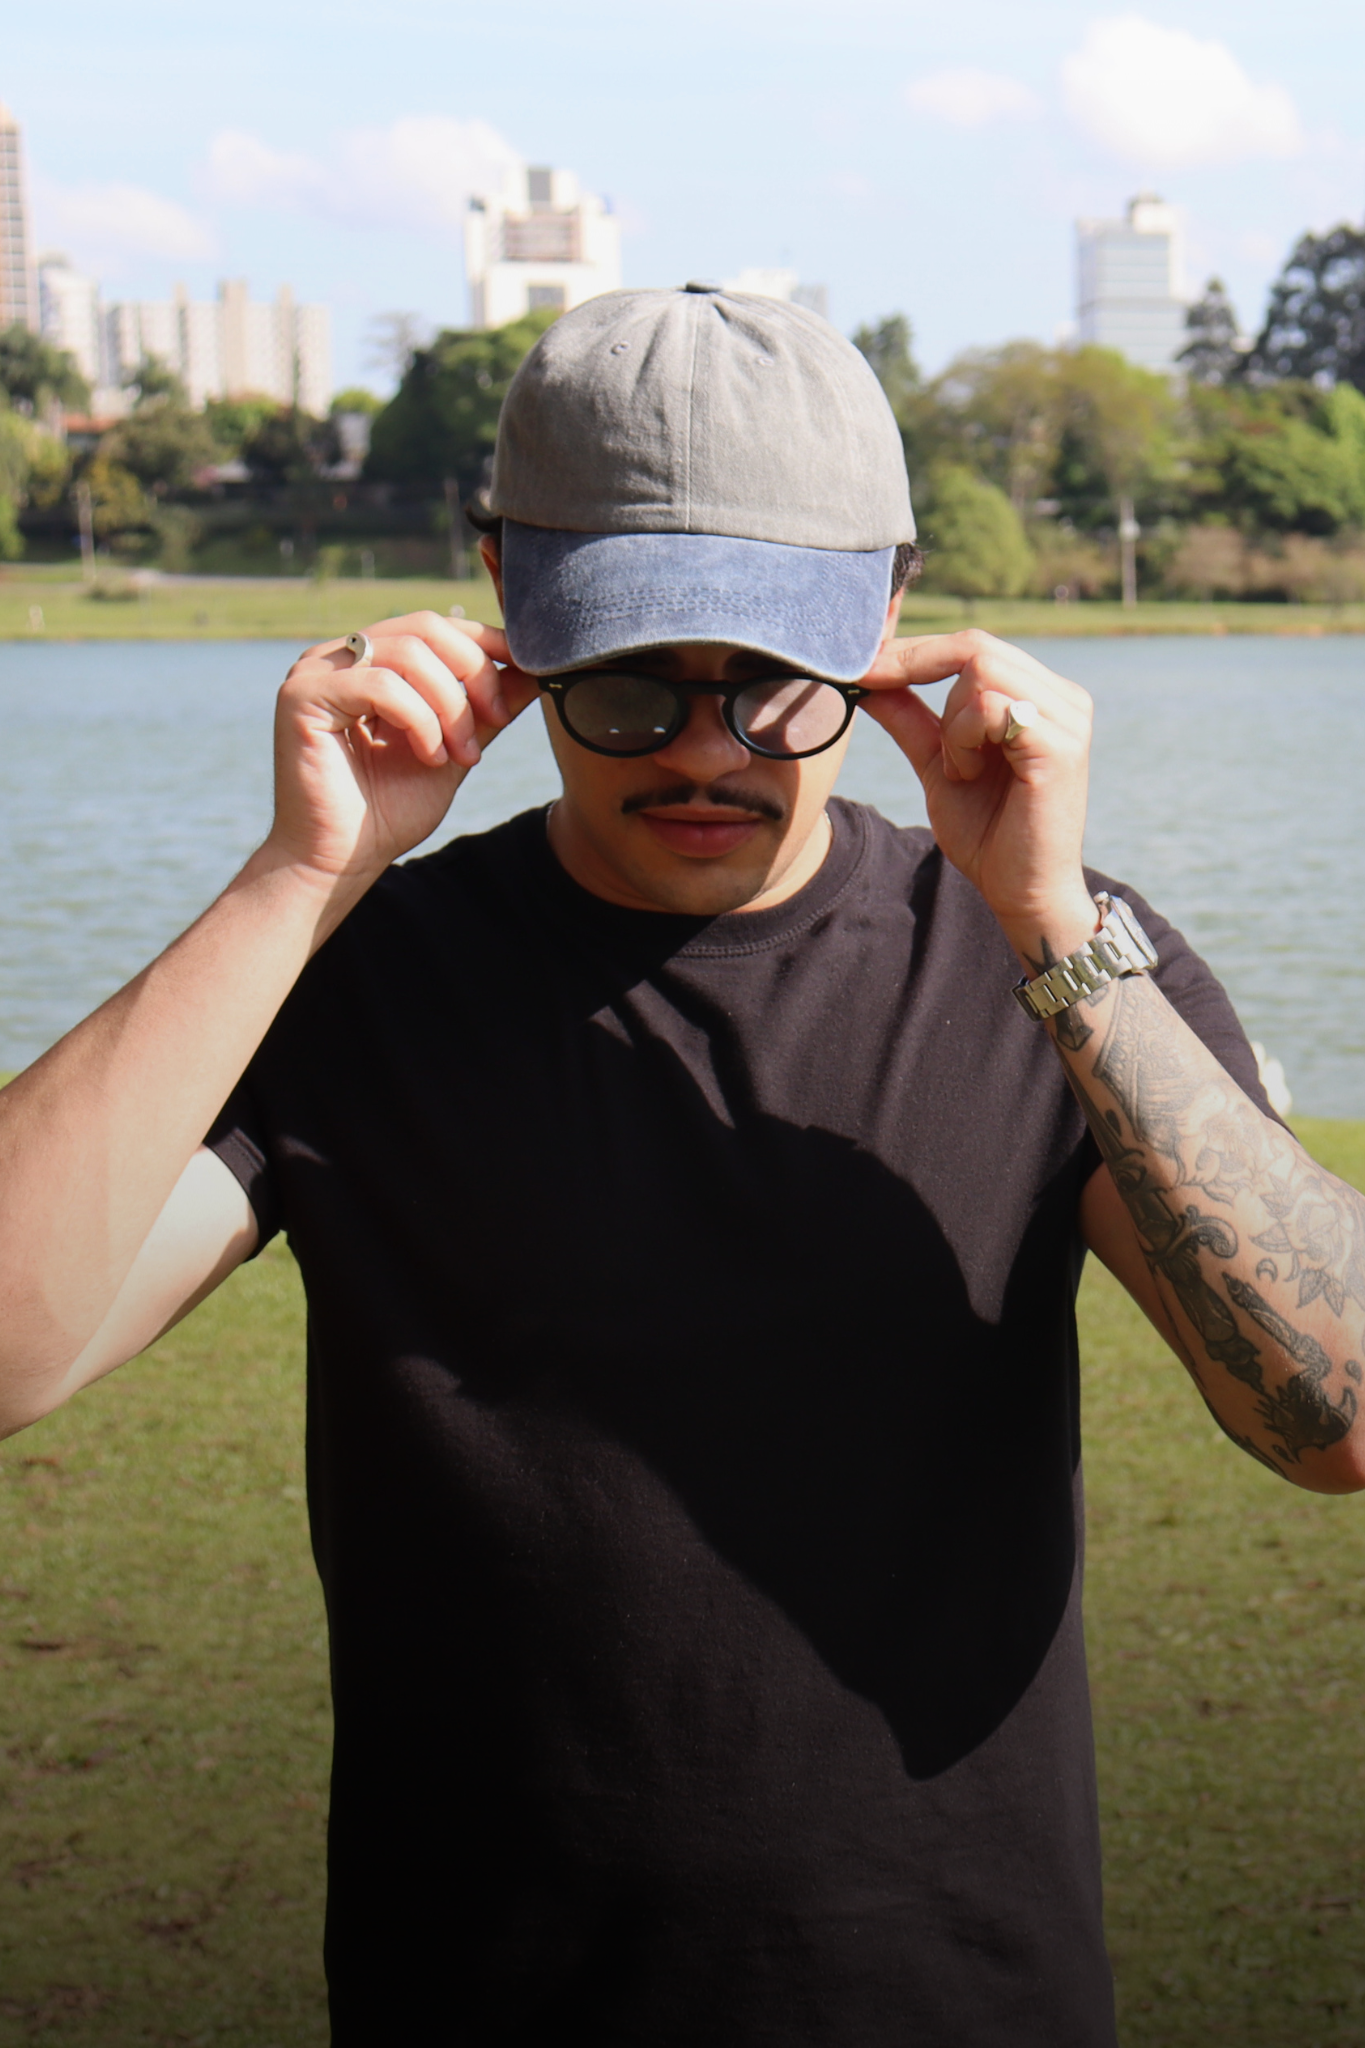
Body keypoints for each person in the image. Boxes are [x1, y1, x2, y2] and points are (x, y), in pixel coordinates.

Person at [2, 284, 1363, 2046]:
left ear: (888, 609)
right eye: (633, 681)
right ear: (509, 601)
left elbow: (1335, 1421)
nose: (710, 750)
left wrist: (1048, 922)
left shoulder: (1054, 966)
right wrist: (298, 877)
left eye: (778, 681)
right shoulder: (358, 977)